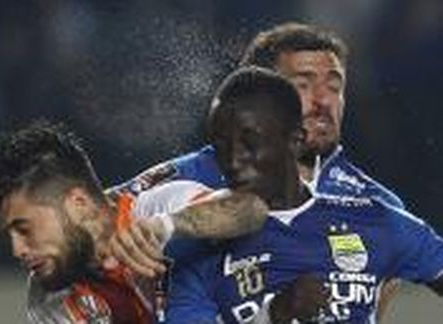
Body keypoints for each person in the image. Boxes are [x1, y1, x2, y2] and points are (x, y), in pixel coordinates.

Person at [107, 22, 404, 317]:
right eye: (303, 85)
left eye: (334, 87)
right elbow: (96, 216)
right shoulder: (190, 176)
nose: (323, 101)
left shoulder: (380, 207)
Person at [164, 67, 443, 323]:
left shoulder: (373, 219)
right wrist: (274, 314)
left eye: (250, 144)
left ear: (295, 141)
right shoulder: (198, 253)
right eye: (221, 146)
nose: (233, 161)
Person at [0, 120, 268, 323]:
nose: (17, 250)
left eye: (25, 229)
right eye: (9, 235)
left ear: (78, 205)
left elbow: (251, 209)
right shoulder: (49, 298)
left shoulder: (152, 207)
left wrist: (167, 227)